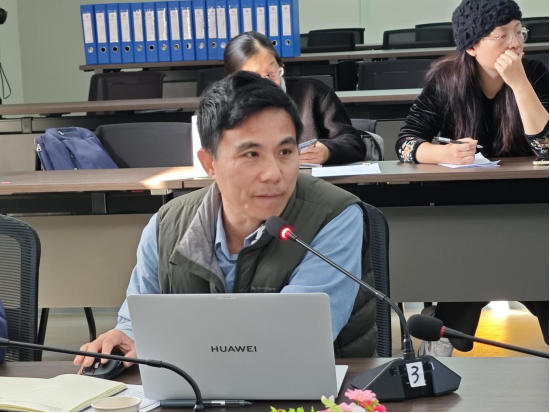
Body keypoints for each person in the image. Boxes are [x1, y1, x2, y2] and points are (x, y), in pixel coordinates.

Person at [74, 72, 378, 371]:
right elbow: (137, 321)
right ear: (210, 163)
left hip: (311, 390)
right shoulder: (165, 226)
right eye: (251, 154)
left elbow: (296, 338)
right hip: (191, 390)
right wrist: (125, 336)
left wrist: (169, 345)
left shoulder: (334, 215)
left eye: (285, 151)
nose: (274, 173)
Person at [396, 0, 549, 357]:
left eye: (519, 32)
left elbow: (546, 146)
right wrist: (441, 154)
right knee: (464, 290)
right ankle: (441, 347)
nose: (515, 43)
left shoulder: (535, 73)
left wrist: (520, 85)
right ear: (472, 46)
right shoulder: (446, 81)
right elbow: (406, 142)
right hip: (465, 208)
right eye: (502, 35)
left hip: (530, 205)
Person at [224, 31, 367, 165]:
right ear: (236, 80)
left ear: (280, 64)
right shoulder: (226, 107)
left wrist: (328, 151)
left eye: (273, 72)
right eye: (256, 77)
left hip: (308, 180)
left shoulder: (314, 93)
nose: (268, 83)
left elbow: (353, 142)